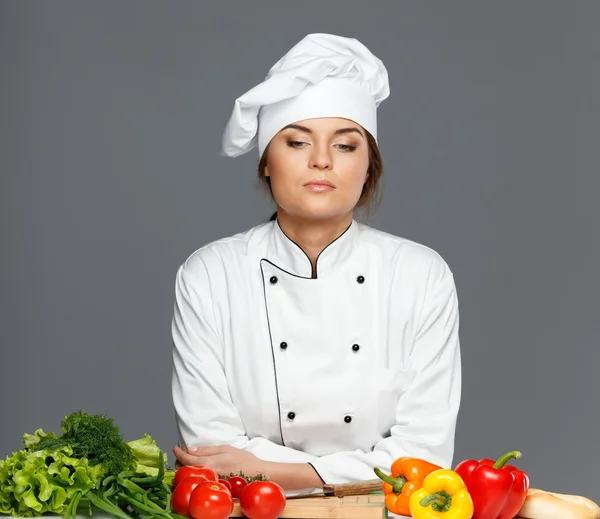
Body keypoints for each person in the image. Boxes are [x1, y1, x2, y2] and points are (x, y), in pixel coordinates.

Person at [171, 33, 462, 493]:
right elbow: (210, 447)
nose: (322, 161)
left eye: (345, 146)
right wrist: (365, 470)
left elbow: (423, 457)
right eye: (297, 143)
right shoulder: (210, 274)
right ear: (267, 161)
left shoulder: (420, 275)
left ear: (369, 165)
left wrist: (265, 470)